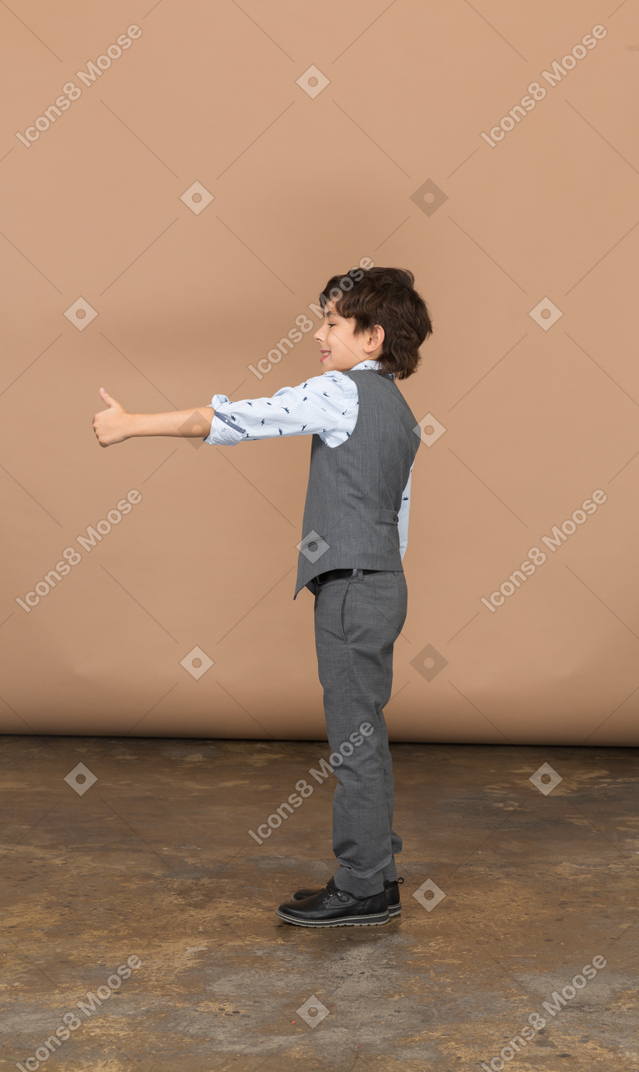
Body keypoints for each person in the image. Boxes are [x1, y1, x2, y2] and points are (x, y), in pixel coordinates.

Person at [92, 265, 433, 927]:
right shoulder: (401, 414)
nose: (318, 334)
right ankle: (375, 874)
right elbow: (400, 517)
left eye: (331, 323)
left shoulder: (340, 393)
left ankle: (363, 888)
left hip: (351, 589)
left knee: (354, 741)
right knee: (365, 735)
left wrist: (133, 423)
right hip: (382, 584)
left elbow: (239, 419)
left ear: (371, 337)